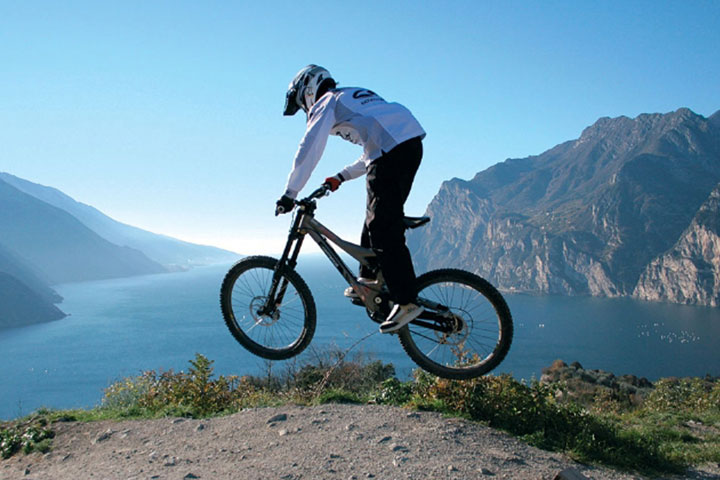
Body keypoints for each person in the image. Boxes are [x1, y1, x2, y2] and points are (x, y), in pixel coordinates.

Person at [275, 65, 426, 333]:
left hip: (393, 153)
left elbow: (309, 147)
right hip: (407, 146)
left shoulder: (327, 101)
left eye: (301, 105)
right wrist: (340, 177)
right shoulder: (350, 96)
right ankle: (368, 283)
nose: (304, 111)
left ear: (307, 91)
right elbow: (374, 149)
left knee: (382, 226)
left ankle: (406, 301)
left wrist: (290, 193)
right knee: (374, 220)